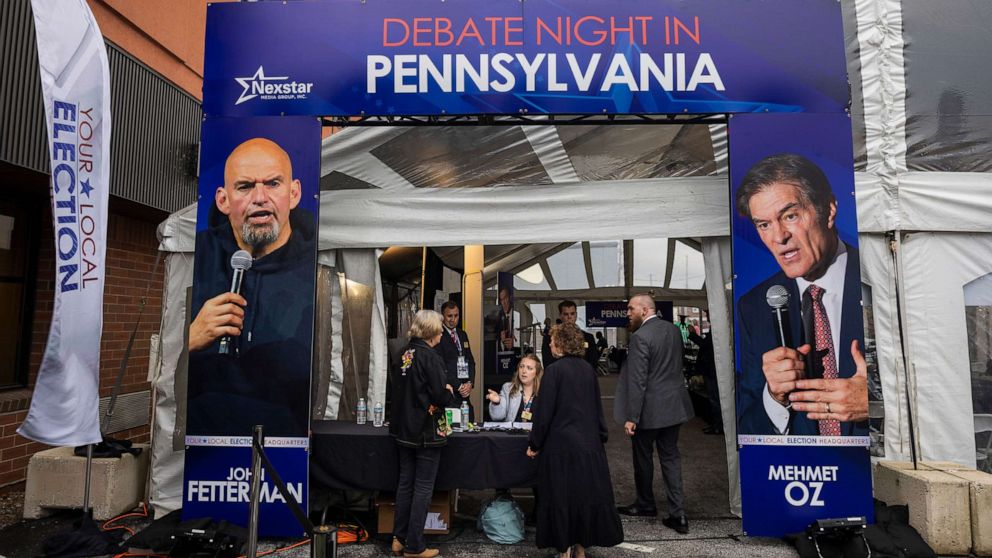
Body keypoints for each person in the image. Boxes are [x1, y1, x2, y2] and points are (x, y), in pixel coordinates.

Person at [186, 137, 314, 437]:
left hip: (287, 454)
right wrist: (189, 338)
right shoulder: (193, 258)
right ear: (223, 199)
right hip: (203, 455)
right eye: (245, 186)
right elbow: (154, 364)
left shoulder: (319, 267)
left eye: (272, 183)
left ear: (294, 193)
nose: (260, 197)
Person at [735, 153, 869, 436]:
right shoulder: (753, 305)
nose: (778, 236)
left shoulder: (880, 281)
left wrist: (878, 401)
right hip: (799, 476)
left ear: (828, 211)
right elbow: (748, 423)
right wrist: (774, 397)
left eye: (790, 216)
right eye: (764, 224)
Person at [527, 324, 624, 558]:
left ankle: (564, 549)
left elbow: (544, 413)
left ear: (560, 343)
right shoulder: (587, 369)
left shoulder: (553, 371)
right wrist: (601, 435)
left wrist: (534, 444)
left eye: (552, 341)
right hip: (588, 446)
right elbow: (596, 407)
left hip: (560, 448)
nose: (549, 345)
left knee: (561, 498)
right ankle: (580, 548)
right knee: (584, 498)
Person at [614, 294, 694, 533]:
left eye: (631, 309)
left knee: (643, 458)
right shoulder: (673, 331)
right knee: (670, 457)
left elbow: (638, 381)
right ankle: (678, 514)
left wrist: (632, 417)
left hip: (649, 411)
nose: (627, 313)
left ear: (645, 310)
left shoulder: (640, 338)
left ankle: (646, 504)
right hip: (674, 407)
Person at [389, 310, 455, 558]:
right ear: (431, 331)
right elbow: (440, 395)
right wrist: (448, 390)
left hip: (403, 429)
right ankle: (415, 547)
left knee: (405, 484)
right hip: (426, 432)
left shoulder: (402, 353)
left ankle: (399, 538)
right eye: (439, 326)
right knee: (423, 487)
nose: (441, 330)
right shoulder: (431, 357)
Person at [435, 301, 476, 421]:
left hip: (465, 391)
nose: (453, 319)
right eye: (449, 316)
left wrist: (470, 383)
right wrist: (459, 386)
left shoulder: (462, 334)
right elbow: (440, 367)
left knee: (469, 423)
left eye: (456, 315)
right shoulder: (438, 336)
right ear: (442, 316)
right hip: (451, 391)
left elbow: (471, 361)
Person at [541, 301, 598, 369]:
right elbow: (547, 362)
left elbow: (593, 362)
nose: (569, 317)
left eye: (572, 313)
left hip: (583, 376)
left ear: (576, 315)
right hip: (559, 376)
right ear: (560, 315)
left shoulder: (588, 337)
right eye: (566, 314)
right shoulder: (550, 338)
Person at [486, 354, 543, 422]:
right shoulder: (508, 388)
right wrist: (497, 402)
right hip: (514, 432)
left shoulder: (544, 391)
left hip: (536, 432)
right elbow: (497, 417)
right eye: (521, 367)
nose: (524, 371)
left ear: (537, 373)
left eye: (529, 368)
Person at [688, 323, 722, 435]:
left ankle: (717, 426)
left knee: (715, 399)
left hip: (711, 370)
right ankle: (717, 424)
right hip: (712, 369)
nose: (707, 317)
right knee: (714, 398)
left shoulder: (716, 329)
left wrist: (692, 334)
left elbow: (704, 344)